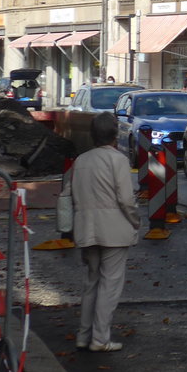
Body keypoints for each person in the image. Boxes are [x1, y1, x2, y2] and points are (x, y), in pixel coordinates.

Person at [72, 112, 140, 352]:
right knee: (109, 285)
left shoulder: (80, 160)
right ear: (115, 135)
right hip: (114, 230)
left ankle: (83, 335)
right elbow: (126, 199)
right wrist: (136, 221)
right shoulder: (118, 160)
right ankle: (100, 339)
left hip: (86, 228)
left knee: (91, 282)